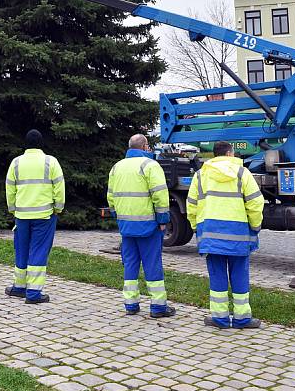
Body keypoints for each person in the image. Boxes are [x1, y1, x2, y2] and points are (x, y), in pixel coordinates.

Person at [187, 140, 264, 329]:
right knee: (239, 275)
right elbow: (255, 203)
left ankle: (220, 318)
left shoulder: (200, 175)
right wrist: (255, 226)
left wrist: (197, 227)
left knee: (217, 275)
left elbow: (191, 205)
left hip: (211, 235)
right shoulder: (242, 173)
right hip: (238, 235)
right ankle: (242, 319)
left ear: (215, 155)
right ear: (230, 154)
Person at [107, 134, 176, 317]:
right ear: (145, 146)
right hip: (148, 226)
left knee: (130, 264)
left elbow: (111, 196)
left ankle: (131, 304)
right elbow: (160, 195)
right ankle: (158, 306)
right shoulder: (150, 166)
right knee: (152, 264)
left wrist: (118, 217)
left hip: (126, 226)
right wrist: (163, 220)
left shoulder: (117, 167)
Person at [5, 130, 65, 304]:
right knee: (38, 251)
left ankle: (19, 287)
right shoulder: (50, 162)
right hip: (44, 216)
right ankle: (33, 293)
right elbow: (59, 187)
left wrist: (13, 210)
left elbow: (10, 188)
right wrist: (58, 208)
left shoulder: (16, 163)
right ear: (41, 144)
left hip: (22, 215)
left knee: (21, 249)